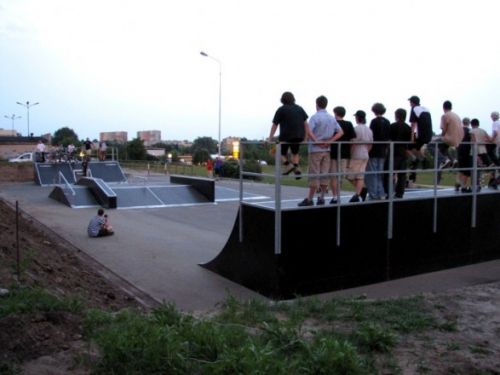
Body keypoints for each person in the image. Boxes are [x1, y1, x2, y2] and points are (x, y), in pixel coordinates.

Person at [298, 96, 343, 206]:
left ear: (317, 104)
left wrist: (316, 141)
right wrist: (330, 141)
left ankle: (310, 199)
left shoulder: (314, 117)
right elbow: (340, 132)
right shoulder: (332, 118)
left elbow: (308, 131)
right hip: (327, 149)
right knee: (324, 174)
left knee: (314, 173)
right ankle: (322, 197)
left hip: (315, 149)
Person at [268, 91, 308, 179]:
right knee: (295, 153)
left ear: (282, 100)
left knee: (274, 152)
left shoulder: (281, 109)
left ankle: (288, 165)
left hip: (285, 136)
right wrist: (305, 138)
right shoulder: (300, 109)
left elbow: (275, 125)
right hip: (299, 135)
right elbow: (306, 124)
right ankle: (296, 169)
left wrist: (270, 138)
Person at [329, 106, 357, 204]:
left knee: (333, 176)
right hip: (344, 154)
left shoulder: (332, 123)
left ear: (336, 113)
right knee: (340, 176)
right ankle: (338, 195)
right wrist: (350, 150)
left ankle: (335, 196)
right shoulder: (349, 124)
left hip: (333, 153)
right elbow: (353, 140)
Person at [384, 108, 412, 198]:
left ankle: (388, 192)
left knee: (388, 173)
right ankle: (400, 193)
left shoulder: (392, 126)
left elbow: (388, 139)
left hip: (393, 152)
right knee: (402, 175)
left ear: (397, 115)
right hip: (403, 153)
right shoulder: (408, 127)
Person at [366, 102, 390, 200]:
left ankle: (373, 194)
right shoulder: (387, 122)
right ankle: (381, 193)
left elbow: (371, 136)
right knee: (380, 174)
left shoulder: (374, 122)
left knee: (372, 174)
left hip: (374, 150)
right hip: (383, 151)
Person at [347, 110, 373, 202]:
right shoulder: (369, 130)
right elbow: (370, 144)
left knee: (349, 175)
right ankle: (359, 192)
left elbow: (353, 143)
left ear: (358, 118)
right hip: (365, 154)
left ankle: (360, 191)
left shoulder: (356, 129)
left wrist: (350, 154)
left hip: (356, 154)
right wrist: (367, 151)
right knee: (360, 176)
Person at [407, 95, 433, 186]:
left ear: (413, 103)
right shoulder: (425, 109)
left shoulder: (414, 109)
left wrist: (412, 138)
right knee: (417, 149)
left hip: (421, 135)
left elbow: (413, 125)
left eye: (410, 102)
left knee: (408, 148)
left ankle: (415, 160)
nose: (410, 104)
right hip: (429, 134)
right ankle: (423, 160)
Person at [470, 118, 491, 192]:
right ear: (478, 124)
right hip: (483, 151)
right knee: (480, 169)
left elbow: (473, 141)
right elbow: (489, 139)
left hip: (475, 152)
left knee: (474, 170)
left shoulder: (471, 131)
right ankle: (479, 185)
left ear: (471, 124)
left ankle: (475, 186)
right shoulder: (483, 130)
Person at [456, 117, 472, 192]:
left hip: (459, 151)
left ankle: (458, 183)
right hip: (467, 152)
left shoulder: (459, 131)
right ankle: (463, 187)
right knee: (466, 171)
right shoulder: (470, 131)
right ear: (469, 123)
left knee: (460, 169)